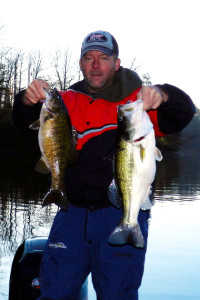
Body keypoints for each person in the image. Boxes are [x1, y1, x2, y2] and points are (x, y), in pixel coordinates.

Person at [13, 30, 195, 300]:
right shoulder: (65, 101)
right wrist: (26, 100)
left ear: (116, 63)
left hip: (119, 212)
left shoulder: (138, 105)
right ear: (80, 63)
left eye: (104, 58)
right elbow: (26, 125)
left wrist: (164, 95)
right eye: (89, 58)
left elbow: (183, 113)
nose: (96, 65)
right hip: (70, 214)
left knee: (117, 294)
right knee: (54, 292)